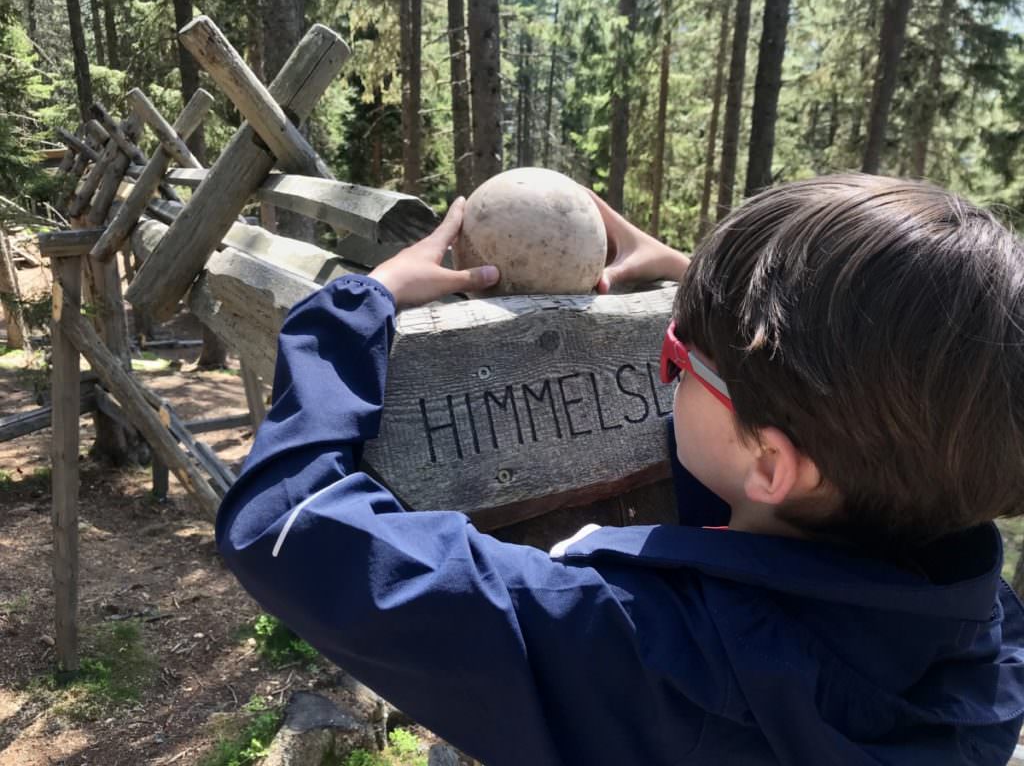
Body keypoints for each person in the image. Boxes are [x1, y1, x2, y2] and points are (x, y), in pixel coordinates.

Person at [216, 173, 1024, 765]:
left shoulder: (624, 648)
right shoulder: (982, 634)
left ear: (774, 465)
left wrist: (359, 303)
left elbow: (290, 525)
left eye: (679, 356)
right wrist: (693, 285)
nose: (666, 366)